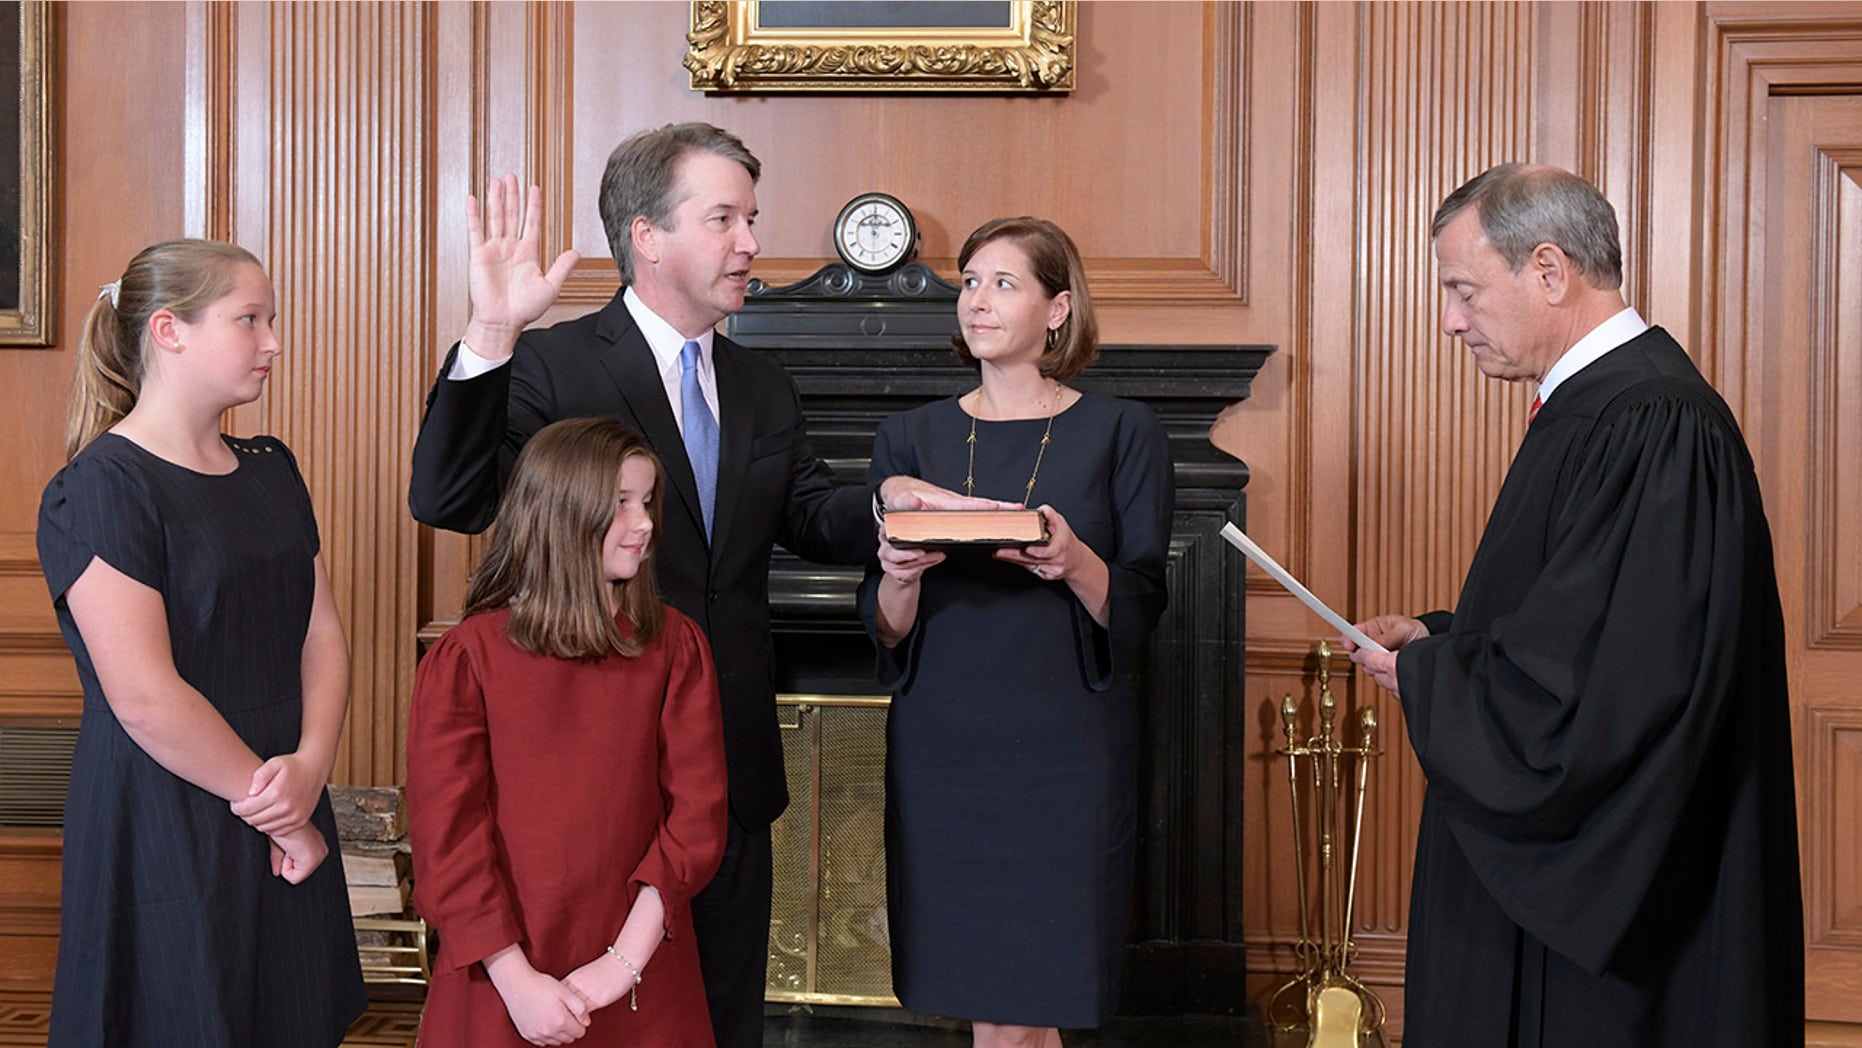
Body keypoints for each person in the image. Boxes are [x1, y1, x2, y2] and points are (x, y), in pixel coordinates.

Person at [407, 121, 977, 1047]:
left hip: (730, 778)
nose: (751, 242)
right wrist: (491, 330)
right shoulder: (552, 363)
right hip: (597, 791)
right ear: (647, 236)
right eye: (724, 218)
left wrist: (890, 510)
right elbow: (448, 496)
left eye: (751, 217)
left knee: (718, 1026)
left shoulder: (759, 383)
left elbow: (808, 515)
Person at [1343, 165, 1803, 1044]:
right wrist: (1441, 640)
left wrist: (1434, 675)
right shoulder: (1605, 410)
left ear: (1549, 271)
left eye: (1464, 289)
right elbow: (1576, 622)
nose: (1451, 319)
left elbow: (1610, 689)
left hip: (1632, 910)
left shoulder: (1653, 422)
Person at [35, 240, 366, 1046]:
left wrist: (311, 766)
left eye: (271, 320)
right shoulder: (101, 486)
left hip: (284, 784)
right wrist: (282, 815)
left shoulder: (271, 467)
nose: (273, 343)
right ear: (168, 332)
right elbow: (146, 699)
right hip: (164, 811)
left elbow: (320, 632)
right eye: (249, 320)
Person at [860, 218, 1174, 1048]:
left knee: (1034, 1005)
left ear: (1058, 308)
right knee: (990, 1009)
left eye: (1003, 283)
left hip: (1062, 752)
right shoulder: (909, 438)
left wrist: (1073, 560)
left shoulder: (1121, 431)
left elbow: (1142, 602)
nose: (976, 300)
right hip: (944, 749)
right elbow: (886, 631)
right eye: (968, 282)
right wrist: (896, 577)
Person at [407, 417, 727, 1048]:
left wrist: (621, 963)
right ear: (561, 513)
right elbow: (448, 843)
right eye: (621, 505)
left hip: (642, 969)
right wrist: (517, 980)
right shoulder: (467, 658)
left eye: (646, 502)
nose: (645, 524)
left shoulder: (675, 646)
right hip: (499, 973)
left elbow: (696, 820)